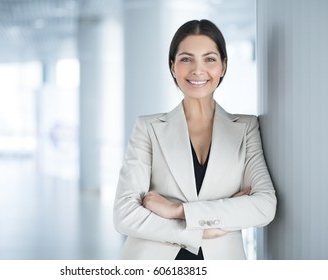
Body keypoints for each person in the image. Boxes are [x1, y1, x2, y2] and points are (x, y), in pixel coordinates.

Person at [113, 19, 277, 260]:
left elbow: (264, 206)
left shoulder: (246, 128)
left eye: (209, 59)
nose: (197, 70)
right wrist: (201, 231)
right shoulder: (148, 128)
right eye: (186, 59)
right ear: (172, 67)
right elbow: (124, 214)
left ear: (223, 66)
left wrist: (175, 210)